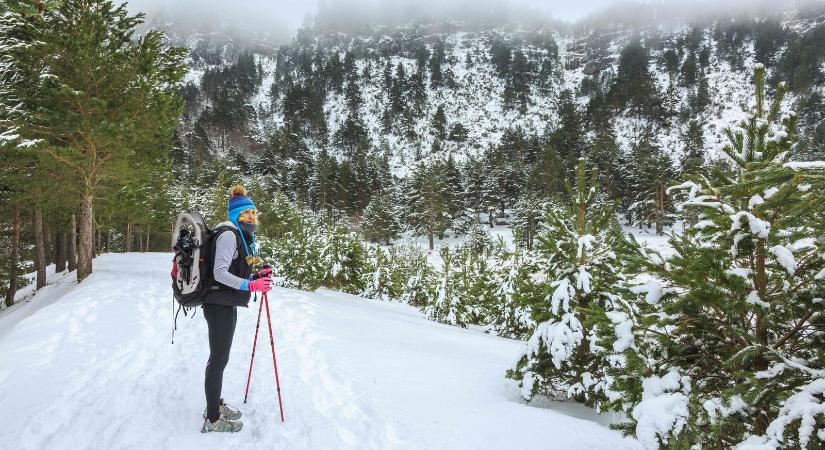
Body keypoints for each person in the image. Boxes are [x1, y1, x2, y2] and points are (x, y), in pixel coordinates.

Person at [201, 185, 272, 433]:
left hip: (225, 302)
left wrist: (255, 275)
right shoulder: (229, 234)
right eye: (246, 214)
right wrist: (250, 284)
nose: (252, 218)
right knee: (218, 359)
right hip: (218, 303)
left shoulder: (239, 235)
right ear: (236, 215)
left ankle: (214, 404)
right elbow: (220, 273)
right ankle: (212, 419)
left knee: (221, 358)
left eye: (253, 213)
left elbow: (232, 268)